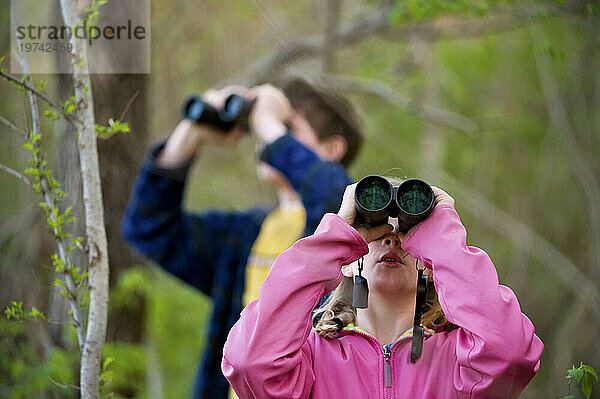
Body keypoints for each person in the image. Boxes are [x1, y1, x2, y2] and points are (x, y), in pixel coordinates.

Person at [121, 78, 363, 399]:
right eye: (266, 128)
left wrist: (265, 121)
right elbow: (148, 227)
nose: (267, 139)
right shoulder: (245, 234)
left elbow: (336, 198)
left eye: (287, 127)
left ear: (332, 149)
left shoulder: (350, 236)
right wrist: (190, 134)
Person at [222, 181, 545, 398]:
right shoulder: (309, 359)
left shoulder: (459, 361)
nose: (391, 240)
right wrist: (334, 237)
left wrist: (444, 239)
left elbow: (512, 354)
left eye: (405, 235)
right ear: (347, 261)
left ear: (430, 266)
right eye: (376, 235)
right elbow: (250, 363)